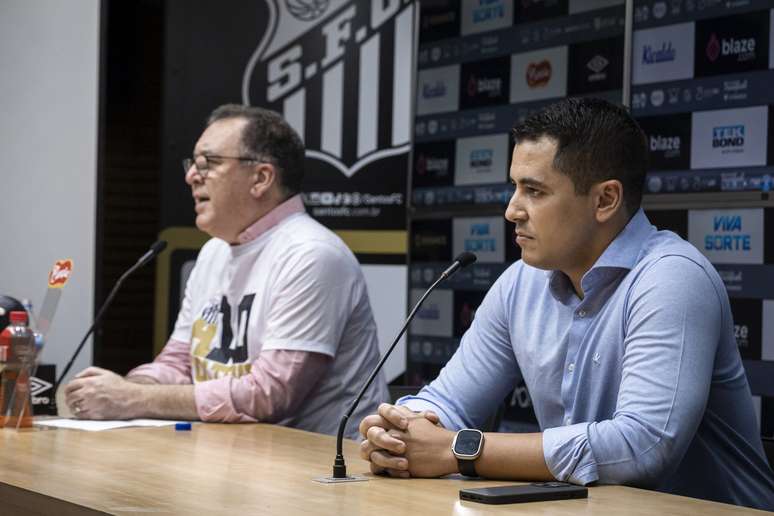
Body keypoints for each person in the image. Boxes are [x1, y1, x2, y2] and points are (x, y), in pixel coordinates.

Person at [358, 98, 774, 510]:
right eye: (514, 187)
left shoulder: (672, 277)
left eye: (534, 191)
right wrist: (398, 431)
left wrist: (461, 449)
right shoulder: (521, 281)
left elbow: (643, 446)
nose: (511, 211)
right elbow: (449, 401)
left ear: (605, 200)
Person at [64, 104, 388, 438]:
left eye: (209, 163)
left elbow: (270, 394)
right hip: (237, 456)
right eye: (192, 164)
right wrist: (122, 389)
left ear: (261, 178)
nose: (191, 176)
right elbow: (179, 363)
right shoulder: (213, 252)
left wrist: (134, 399)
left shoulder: (312, 254)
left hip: (321, 469)